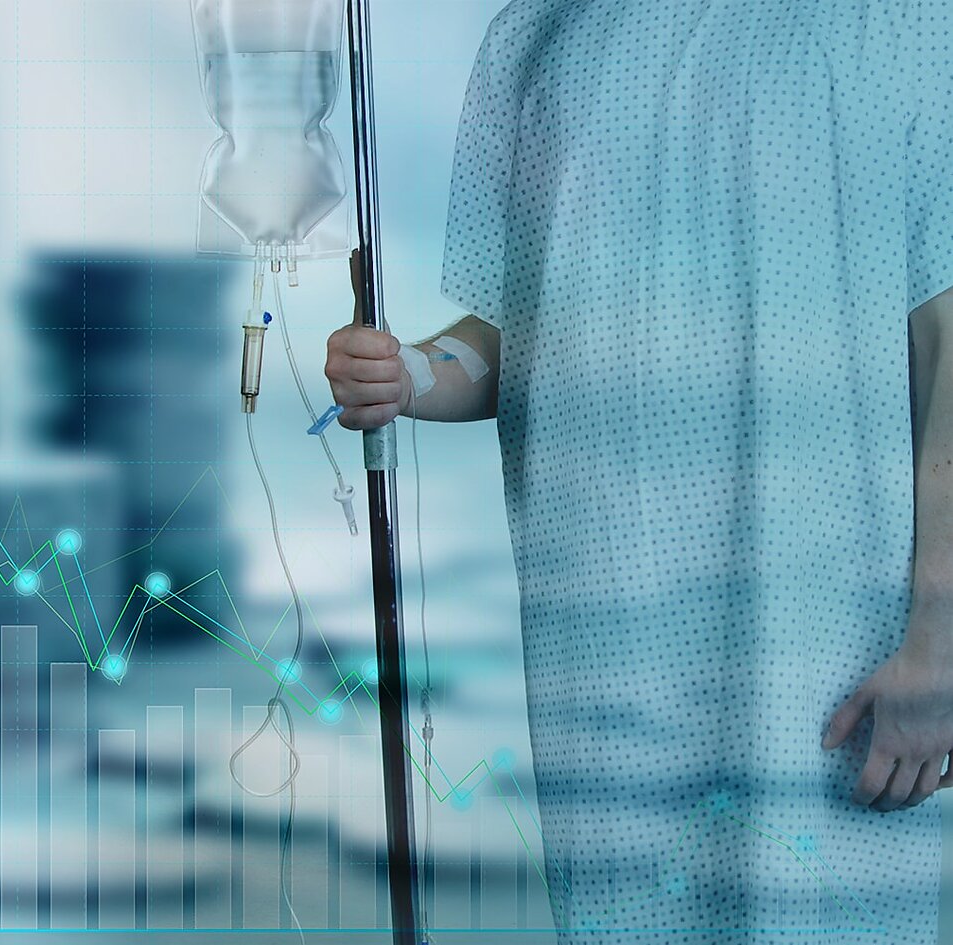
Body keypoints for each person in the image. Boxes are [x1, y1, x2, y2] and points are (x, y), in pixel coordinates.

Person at [325, 0, 953, 942]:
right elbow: (526, 328)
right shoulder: (534, 34)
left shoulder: (907, 21)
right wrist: (408, 374)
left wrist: (939, 636)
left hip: (834, 653)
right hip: (607, 657)